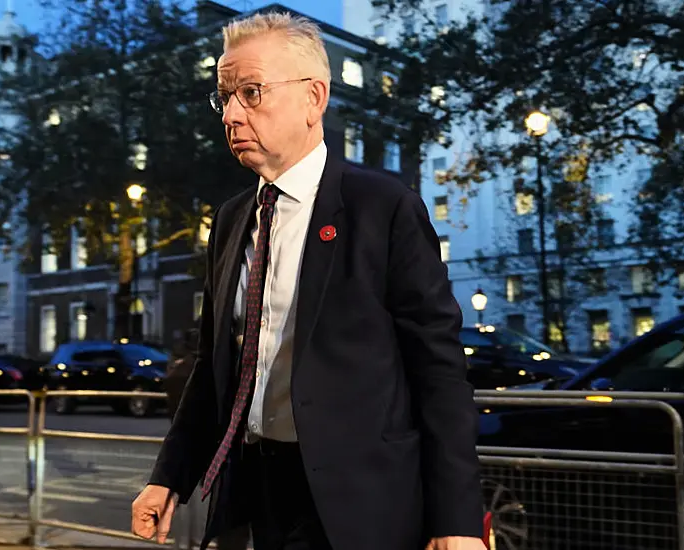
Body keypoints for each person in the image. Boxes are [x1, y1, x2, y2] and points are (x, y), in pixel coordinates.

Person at [131, 11, 485, 550]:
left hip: (360, 505)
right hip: (255, 493)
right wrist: (169, 475)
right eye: (223, 97)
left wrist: (456, 520)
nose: (230, 114)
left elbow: (438, 370)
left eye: (250, 92)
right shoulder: (230, 220)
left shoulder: (383, 209)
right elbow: (215, 363)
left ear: (314, 98)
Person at [164, 329, 252, 550]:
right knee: (232, 522)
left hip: (201, 450)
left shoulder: (179, 369)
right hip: (225, 451)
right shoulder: (208, 369)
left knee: (213, 514)